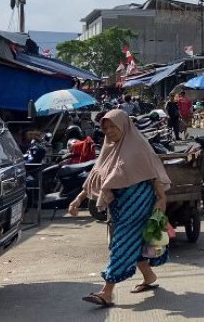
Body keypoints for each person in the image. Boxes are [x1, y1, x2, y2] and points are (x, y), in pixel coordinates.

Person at [68, 110, 171, 308]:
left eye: (112, 126)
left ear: (123, 125)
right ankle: (149, 276)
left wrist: (162, 198)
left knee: (122, 242)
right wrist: (77, 200)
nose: (109, 131)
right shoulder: (109, 149)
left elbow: (153, 174)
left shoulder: (138, 146)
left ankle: (107, 292)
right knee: (135, 242)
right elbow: (97, 177)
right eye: (105, 128)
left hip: (139, 201)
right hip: (119, 204)